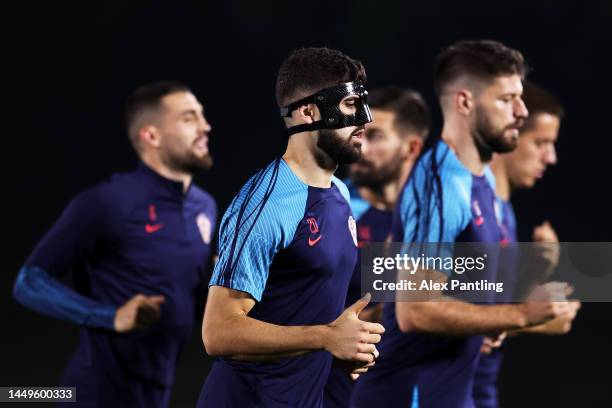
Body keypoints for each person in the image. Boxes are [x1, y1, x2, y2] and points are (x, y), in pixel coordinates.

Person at [351, 40, 572, 408]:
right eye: (506, 100)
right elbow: (414, 310)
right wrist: (519, 314)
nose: (520, 111)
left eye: (519, 98)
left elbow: (465, 289)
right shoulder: (439, 183)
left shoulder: (478, 182)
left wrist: (494, 317)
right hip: (410, 396)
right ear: (465, 103)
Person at [198, 47, 385, 407]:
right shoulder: (266, 203)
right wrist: (327, 337)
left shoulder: (339, 192)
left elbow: (315, 295)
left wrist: (348, 344)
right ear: (308, 112)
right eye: (350, 106)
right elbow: (217, 332)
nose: (366, 119)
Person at [13, 81, 217, 408]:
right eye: (189, 118)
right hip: (94, 395)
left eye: (202, 116)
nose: (206, 126)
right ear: (151, 136)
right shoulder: (108, 202)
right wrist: (110, 316)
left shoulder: (205, 207)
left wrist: (222, 284)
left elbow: (186, 302)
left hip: (156, 396)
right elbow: (29, 282)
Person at [474, 80, 581, 408]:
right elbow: (422, 313)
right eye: (541, 143)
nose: (551, 158)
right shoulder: (466, 204)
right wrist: (533, 320)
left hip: (480, 392)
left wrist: (538, 268)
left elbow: (485, 300)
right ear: (512, 133)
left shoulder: (502, 210)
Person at [324, 86, 430, 408]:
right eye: (360, 132)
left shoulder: (438, 219)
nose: (360, 146)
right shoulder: (330, 208)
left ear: (411, 147)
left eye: (377, 136)